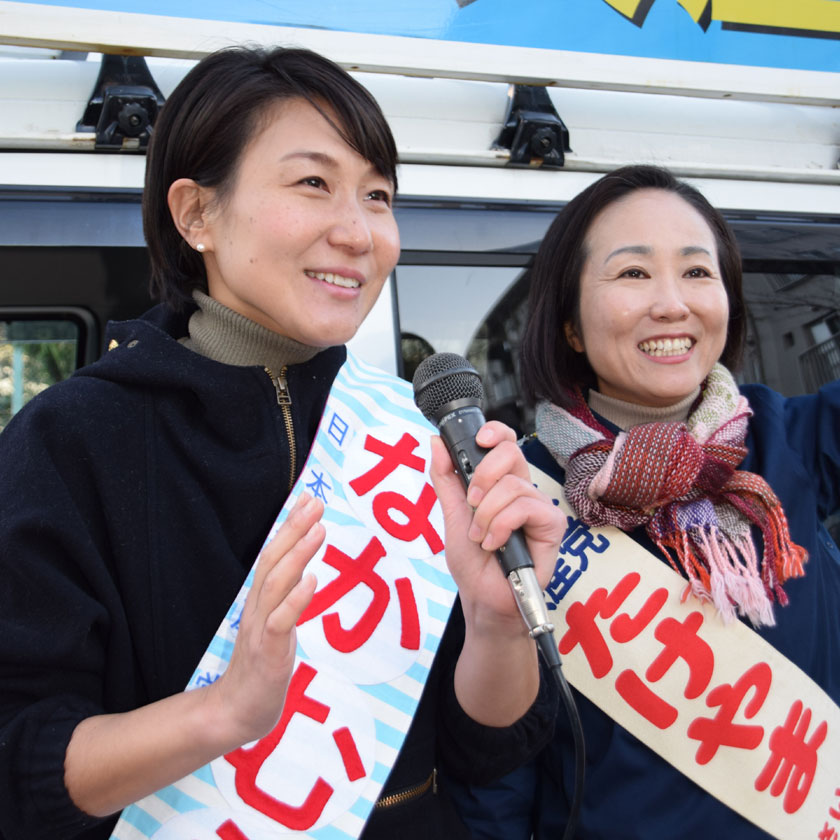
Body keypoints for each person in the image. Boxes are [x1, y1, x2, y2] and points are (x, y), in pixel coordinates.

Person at [0, 46, 565, 840]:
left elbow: (483, 747)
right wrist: (223, 712)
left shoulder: (413, 436)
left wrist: (499, 622)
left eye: (378, 195)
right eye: (313, 183)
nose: (359, 231)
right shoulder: (69, 442)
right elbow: (19, 765)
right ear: (195, 213)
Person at [451, 164, 840, 839]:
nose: (672, 303)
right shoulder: (516, 493)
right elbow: (498, 773)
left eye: (697, 272)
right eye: (633, 274)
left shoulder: (792, 442)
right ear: (569, 323)